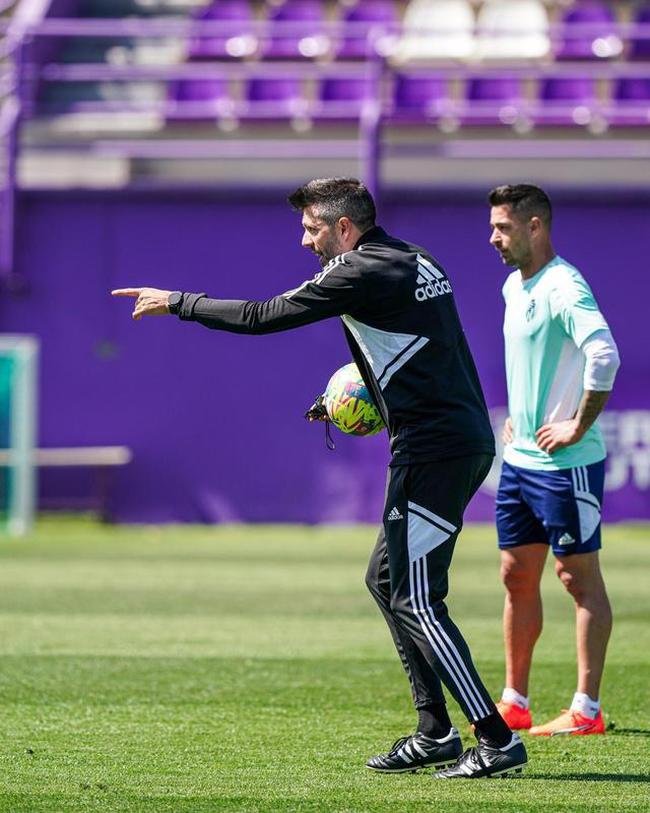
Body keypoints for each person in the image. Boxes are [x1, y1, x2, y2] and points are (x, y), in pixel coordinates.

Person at [113, 177, 527, 779]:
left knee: (416, 598)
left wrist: (177, 300)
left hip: (434, 449)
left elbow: (261, 317)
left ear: (343, 228)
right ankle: (434, 731)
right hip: (450, 438)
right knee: (386, 581)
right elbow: (418, 352)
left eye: (311, 228)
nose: (303, 240)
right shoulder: (412, 258)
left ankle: (495, 740)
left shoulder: (356, 271)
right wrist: (355, 398)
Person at [488, 184, 620, 736]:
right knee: (516, 576)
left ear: (535, 226)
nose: (493, 238)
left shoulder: (564, 286)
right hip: (520, 462)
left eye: (503, 228)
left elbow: (604, 353)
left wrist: (577, 425)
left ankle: (587, 710)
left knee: (577, 578)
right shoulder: (513, 286)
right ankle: (515, 701)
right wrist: (521, 415)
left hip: (567, 467)